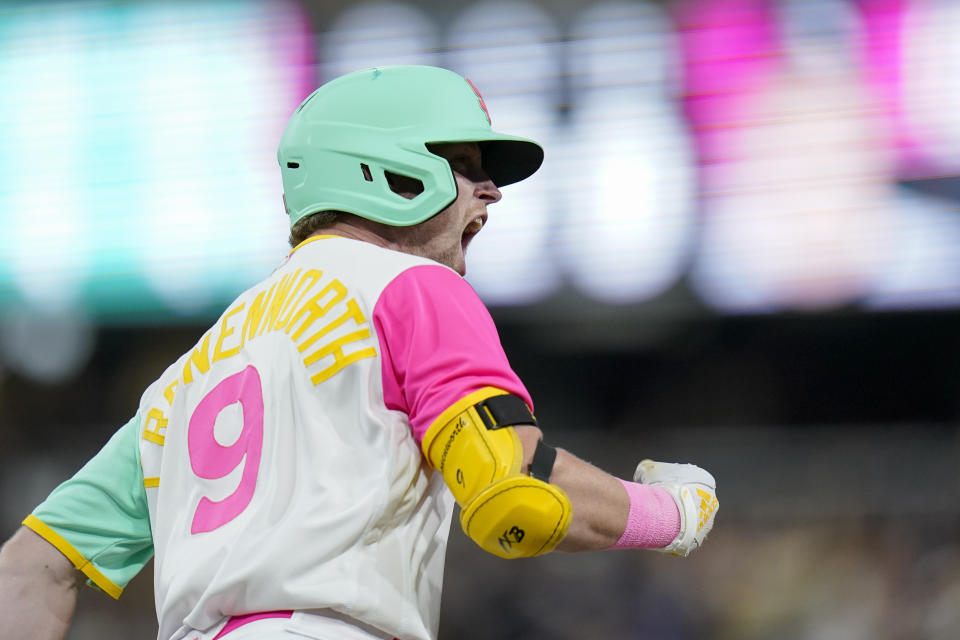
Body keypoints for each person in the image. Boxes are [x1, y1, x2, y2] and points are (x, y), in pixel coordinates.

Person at [0, 65, 719, 640]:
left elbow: (30, 567)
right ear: (390, 171)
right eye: (465, 164)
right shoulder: (409, 288)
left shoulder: (186, 375)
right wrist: (672, 513)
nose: (492, 190)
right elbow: (514, 497)